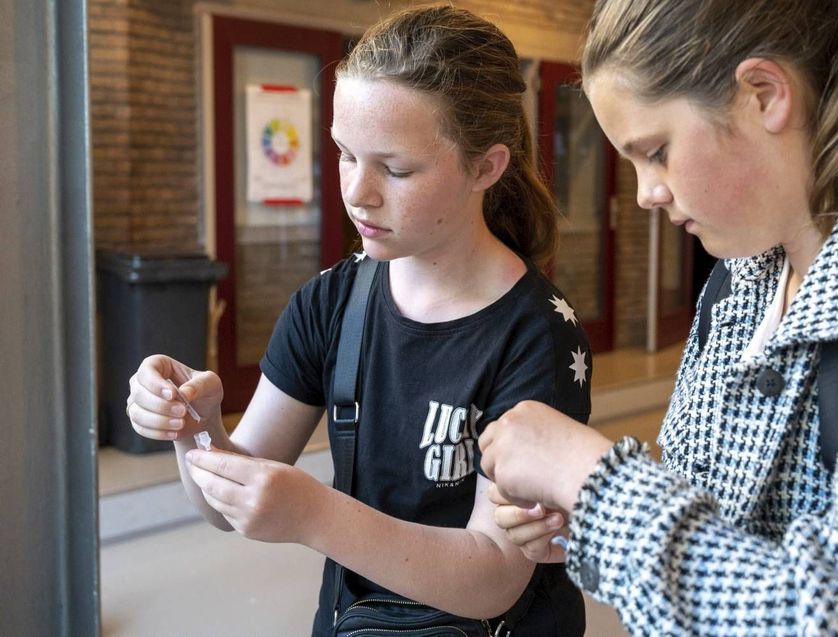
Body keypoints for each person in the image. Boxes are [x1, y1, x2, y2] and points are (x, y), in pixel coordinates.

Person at [478, 0, 838, 634]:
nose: (647, 192)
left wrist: (595, 483)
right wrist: (587, 522)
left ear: (763, 94)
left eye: (656, 151)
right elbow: (714, 517)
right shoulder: (742, 284)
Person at [125, 6, 589, 635]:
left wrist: (316, 513)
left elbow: (494, 577)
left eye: (396, 170)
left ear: (486, 166)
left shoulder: (535, 333)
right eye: (345, 154)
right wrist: (197, 428)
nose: (358, 192)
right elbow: (225, 505)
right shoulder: (329, 305)